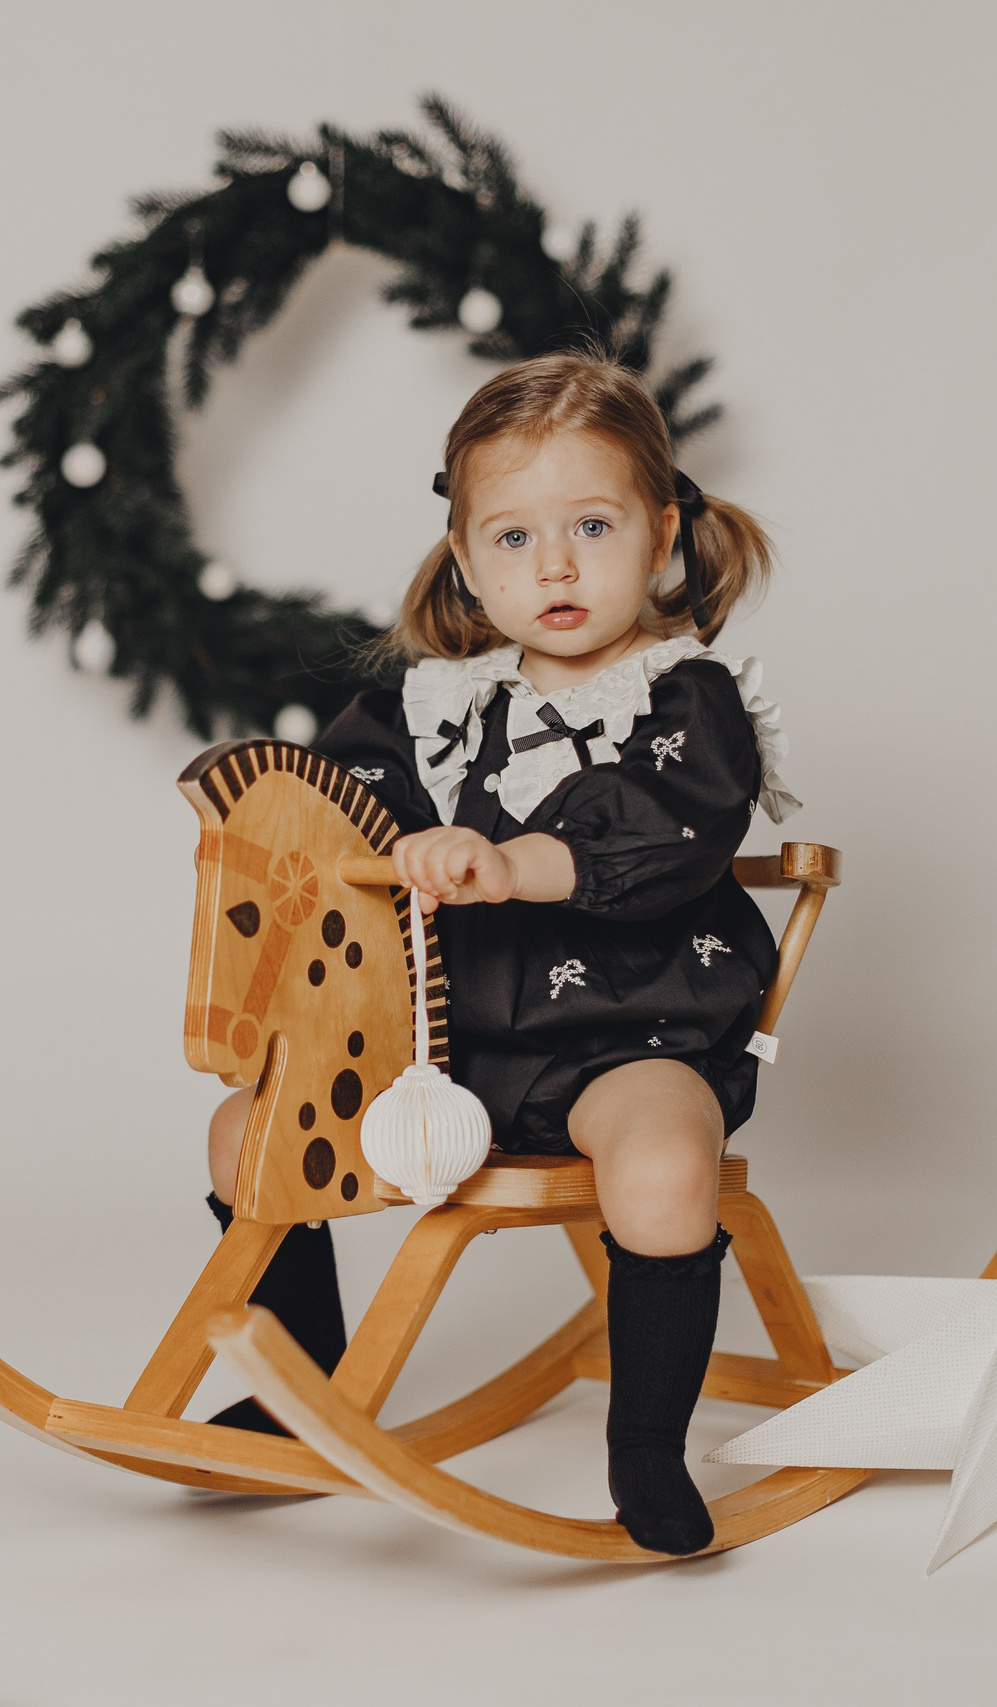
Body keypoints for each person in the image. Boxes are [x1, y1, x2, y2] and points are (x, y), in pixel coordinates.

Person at [201, 348, 800, 1555]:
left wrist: (512, 863)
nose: (556, 566)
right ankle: (297, 1378)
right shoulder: (430, 708)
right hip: (447, 1043)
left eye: (592, 526)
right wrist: (270, 812)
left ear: (661, 532)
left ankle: (647, 1449)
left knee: (664, 1165)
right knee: (241, 1130)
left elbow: (672, 824)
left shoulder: (685, 697)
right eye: (515, 538)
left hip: (631, 1036)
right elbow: (335, 812)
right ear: (468, 562)